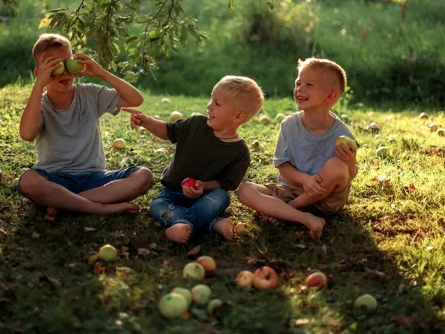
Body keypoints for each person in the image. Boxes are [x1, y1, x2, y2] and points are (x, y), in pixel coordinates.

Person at [17, 33, 153, 217]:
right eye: (53, 66)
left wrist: (101, 73)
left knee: (144, 176)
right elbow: (27, 134)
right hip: (54, 178)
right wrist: (39, 85)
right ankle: (98, 207)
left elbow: (136, 99)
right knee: (28, 181)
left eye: (67, 63)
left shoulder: (90, 94)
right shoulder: (39, 105)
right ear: (39, 73)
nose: (64, 72)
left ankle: (65, 203)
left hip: (94, 178)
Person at [123, 76, 264, 243]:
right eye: (211, 100)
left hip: (206, 197)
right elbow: (168, 131)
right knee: (157, 206)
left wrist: (203, 186)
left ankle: (183, 223)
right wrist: (146, 121)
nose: (209, 106)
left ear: (238, 117)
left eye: (216, 104)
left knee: (222, 197)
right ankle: (212, 224)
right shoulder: (195, 124)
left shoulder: (240, 152)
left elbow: (225, 183)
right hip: (172, 193)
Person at [237, 58, 358, 240]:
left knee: (337, 166)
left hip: (327, 198)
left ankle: (289, 210)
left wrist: (350, 161)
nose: (300, 89)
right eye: (298, 83)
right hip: (292, 189)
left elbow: (349, 174)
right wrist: (305, 180)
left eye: (309, 85)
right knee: (244, 190)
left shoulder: (342, 133)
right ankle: (305, 217)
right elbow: (283, 167)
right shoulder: (289, 125)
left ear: (330, 96)